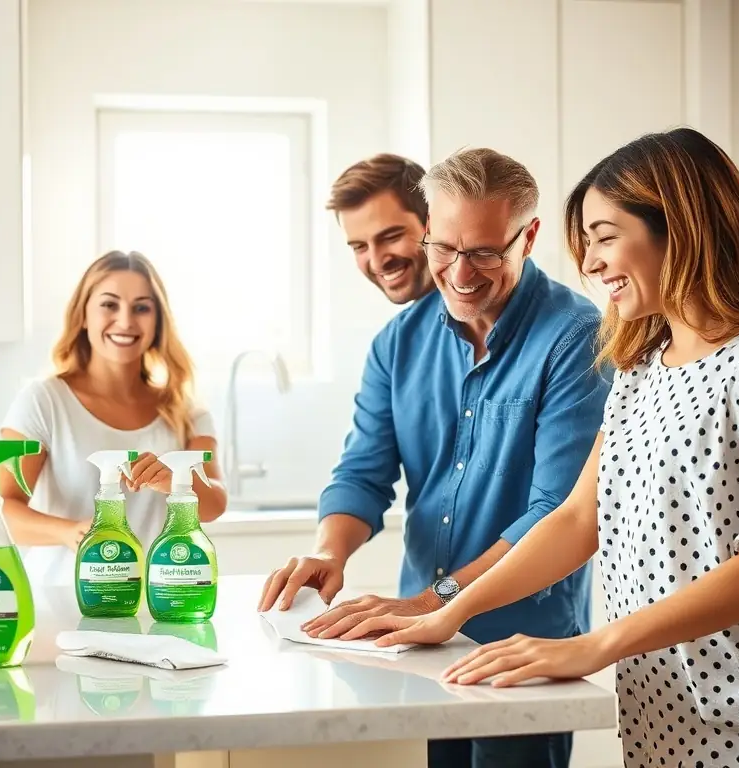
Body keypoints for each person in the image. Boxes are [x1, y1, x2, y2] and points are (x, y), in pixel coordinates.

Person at [344, 127, 739, 768]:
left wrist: (597, 644)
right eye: (586, 244)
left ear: (682, 228)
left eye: (606, 237)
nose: (591, 263)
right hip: (659, 712)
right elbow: (579, 518)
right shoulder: (640, 368)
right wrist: (448, 613)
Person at [257, 150, 612, 767]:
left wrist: (439, 598)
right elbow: (362, 473)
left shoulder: (575, 336)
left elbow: (558, 510)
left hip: (523, 648)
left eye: (484, 253)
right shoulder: (398, 342)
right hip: (421, 647)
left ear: (528, 237)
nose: (459, 273)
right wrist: (327, 551)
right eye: (444, 249)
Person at [0, 250, 228, 586]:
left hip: (155, 602)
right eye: (109, 304)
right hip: (61, 599)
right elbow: (3, 507)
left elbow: (215, 504)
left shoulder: (185, 409)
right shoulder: (44, 401)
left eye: (141, 308)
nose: (125, 321)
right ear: (83, 315)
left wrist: (174, 480)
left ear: (158, 322)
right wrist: (71, 533)